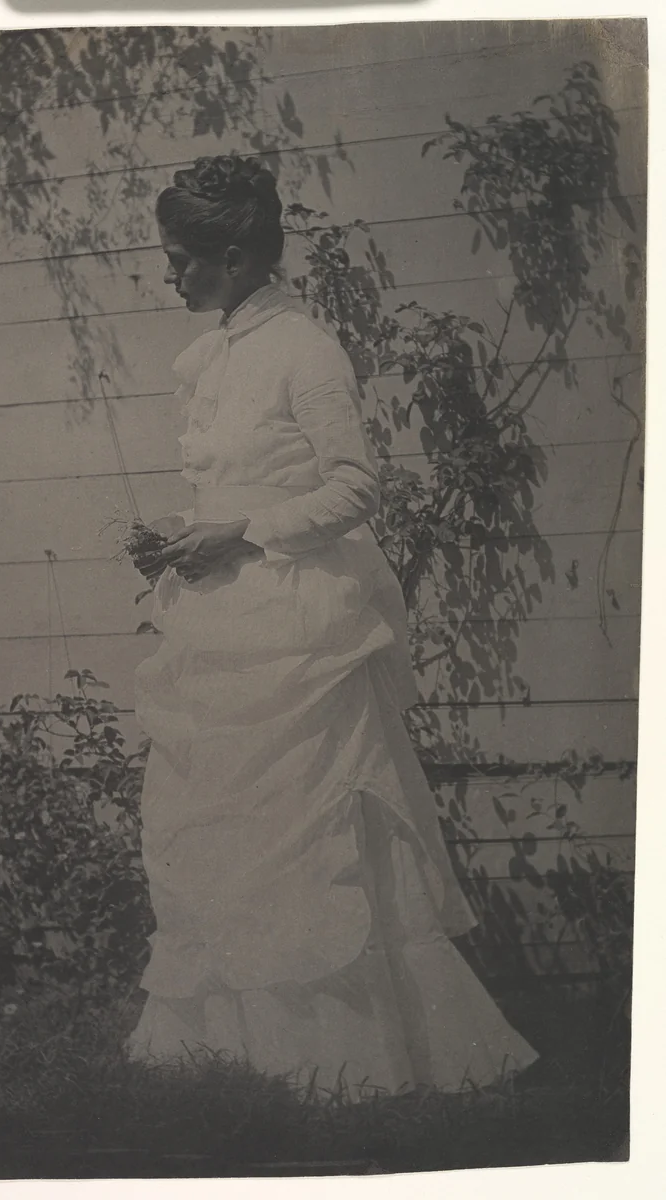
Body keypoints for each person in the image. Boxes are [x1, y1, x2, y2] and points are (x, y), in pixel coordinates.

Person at [127, 153, 537, 1096]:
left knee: (304, 832)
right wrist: (187, 534)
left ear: (232, 257)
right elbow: (234, 480)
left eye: (181, 259)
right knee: (223, 831)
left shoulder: (305, 349)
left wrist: (245, 531)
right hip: (221, 625)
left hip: (294, 621)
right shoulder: (214, 352)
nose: (171, 276)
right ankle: (238, 1048)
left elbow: (355, 486)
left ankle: (350, 1055)